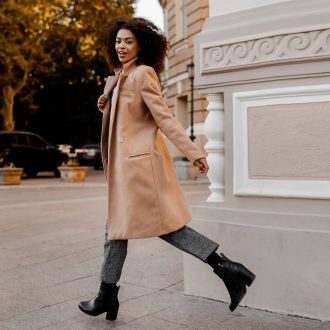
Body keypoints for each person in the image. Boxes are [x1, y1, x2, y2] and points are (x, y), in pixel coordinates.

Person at [78, 17, 255, 321]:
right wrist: (107, 105)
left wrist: (193, 151)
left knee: (160, 229)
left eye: (128, 41)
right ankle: (108, 295)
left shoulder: (143, 74)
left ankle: (228, 269)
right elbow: (129, 120)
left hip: (139, 169)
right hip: (125, 168)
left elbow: (164, 118)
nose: (121, 46)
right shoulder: (121, 77)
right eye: (118, 41)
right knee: (116, 231)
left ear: (141, 45)